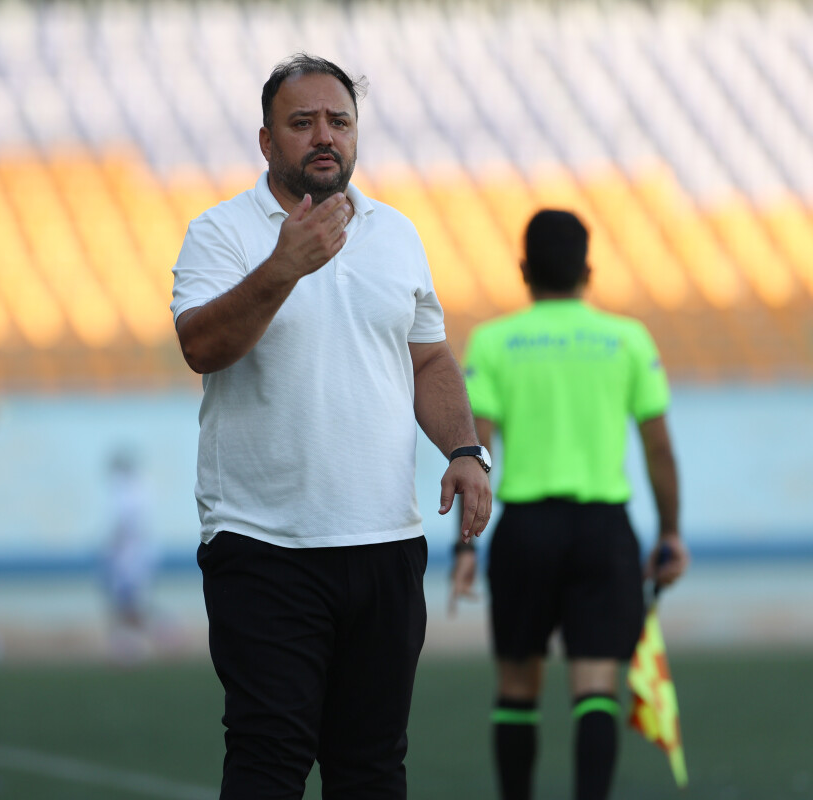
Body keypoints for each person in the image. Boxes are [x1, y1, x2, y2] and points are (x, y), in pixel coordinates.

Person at [171, 53, 494, 799]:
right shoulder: (220, 233)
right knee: (269, 760)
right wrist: (285, 265)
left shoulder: (396, 232)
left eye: (339, 121)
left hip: (386, 543)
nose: (325, 135)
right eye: (303, 122)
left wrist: (464, 448)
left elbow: (430, 357)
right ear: (266, 140)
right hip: (263, 544)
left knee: (371, 768)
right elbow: (201, 347)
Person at [450, 210, 690, 800]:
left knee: (516, 688)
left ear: (523, 270)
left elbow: (477, 450)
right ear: (589, 270)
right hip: (602, 531)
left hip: (525, 531)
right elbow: (659, 448)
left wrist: (465, 546)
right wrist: (670, 533)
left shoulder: (494, 341)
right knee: (596, 687)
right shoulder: (627, 338)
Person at [101, 451, 160, 663]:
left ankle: (135, 645)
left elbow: (124, 524)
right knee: (129, 605)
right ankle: (130, 646)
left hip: (129, 558)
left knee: (129, 606)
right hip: (135, 557)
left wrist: (112, 550)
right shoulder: (140, 488)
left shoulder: (128, 491)